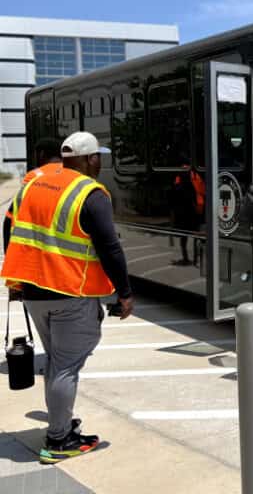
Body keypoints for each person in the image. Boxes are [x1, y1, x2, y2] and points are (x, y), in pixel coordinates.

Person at [1, 131, 134, 464]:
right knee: (65, 367)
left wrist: (17, 279)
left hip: (33, 292)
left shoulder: (34, 183)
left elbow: (9, 229)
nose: (100, 162)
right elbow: (110, 247)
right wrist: (125, 293)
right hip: (70, 292)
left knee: (57, 362)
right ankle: (59, 440)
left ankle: (61, 425)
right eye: (98, 157)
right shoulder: (90, 193)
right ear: (89, 159)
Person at [4, 138, 63, 300]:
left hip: (38, 267)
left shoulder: (34, 176)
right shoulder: (75, 174)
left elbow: (10, 223)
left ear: (41, 154)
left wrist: (14, 282)